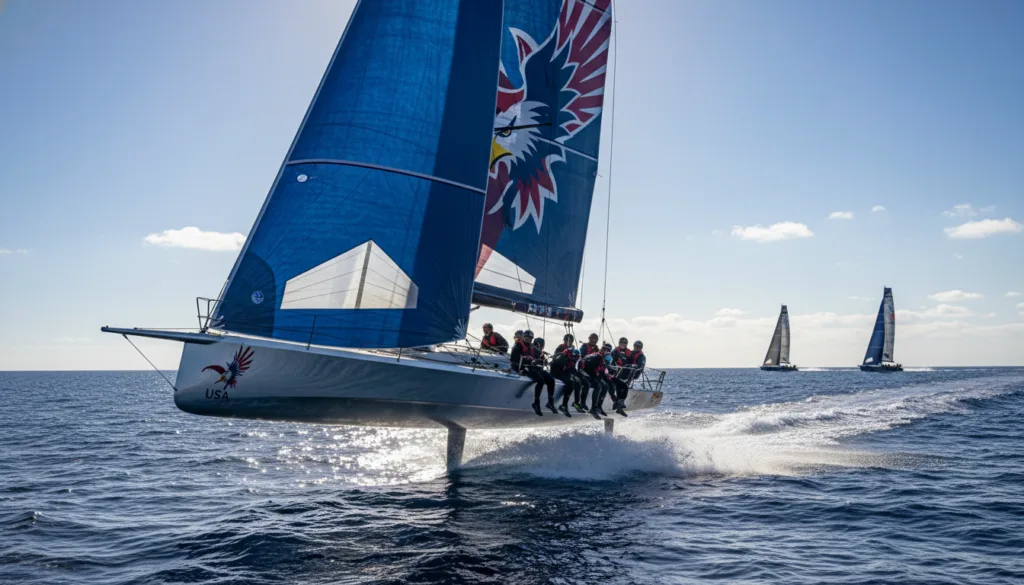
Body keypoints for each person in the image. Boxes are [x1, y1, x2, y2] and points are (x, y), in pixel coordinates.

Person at [510, 330, 556, 416]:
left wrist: (543, 359)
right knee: (540, 380)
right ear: (523, 337)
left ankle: (550, 402)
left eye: (529, 338)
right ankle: (536, 402)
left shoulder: (532, 347)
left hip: (534, 368)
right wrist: (523, 365)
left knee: (551, 380)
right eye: (526, 338)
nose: (527, 340)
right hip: (524, 368)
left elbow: (539, 355)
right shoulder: (517, 346)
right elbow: (513, 360)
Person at [580, 344, 612, 418]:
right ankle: (593, 408)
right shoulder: (598, 357)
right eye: (606, 351)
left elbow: (601, 369)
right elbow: (594, 370)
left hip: (589, 374)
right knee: (598, 386)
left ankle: (598, 407)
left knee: (605, 385)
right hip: (586, 376)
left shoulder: (597, 356)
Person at [548, 344, 581, 417]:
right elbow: (556, 367)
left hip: (562, 372)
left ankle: (576, 402)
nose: (576, 359)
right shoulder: (564, 357)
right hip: (556, 373)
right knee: (570, 383)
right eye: (575, 357)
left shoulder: (568, 357)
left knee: (577, 381)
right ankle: (564, 405)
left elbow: (571, 369)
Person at [609, 337, 633, 414]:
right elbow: (611, 362)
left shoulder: (629, 352)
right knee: (619, 387)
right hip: (617, 373)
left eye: (625, 342)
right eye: (621, 342)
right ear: (619, 343)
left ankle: (620, 405)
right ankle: (617, 404)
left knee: (625, 388)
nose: (623, 344)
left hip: (626, 374)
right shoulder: (615, 351)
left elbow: (632, 362)